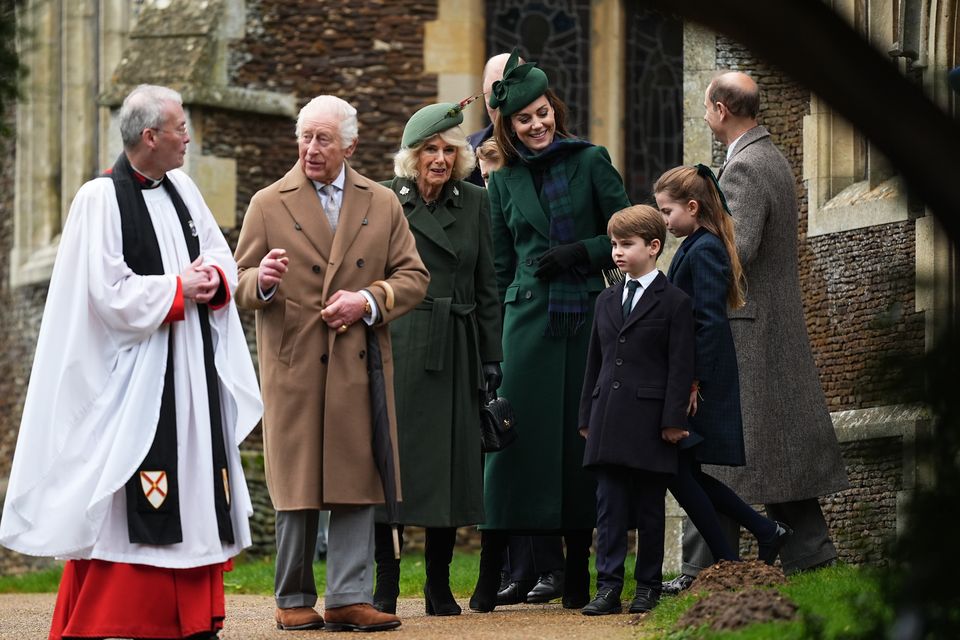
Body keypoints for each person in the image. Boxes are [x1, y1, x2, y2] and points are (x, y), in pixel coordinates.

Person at [0, 84, 263, 640]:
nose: (187, 137)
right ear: (150, 136)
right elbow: (106, 292)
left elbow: (218, 254)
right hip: (137, 378)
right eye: (179, 129)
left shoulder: (184, 189)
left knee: (192, 486)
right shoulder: (100, 199)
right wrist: (175, 287)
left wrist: (213, 279)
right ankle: (123, 618)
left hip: (188, 369)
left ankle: (193, 620)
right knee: (132, 490)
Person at [233, 95, 429, 632]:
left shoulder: (383, 203)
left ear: (350, 145)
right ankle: (293, 595)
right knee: (296, 484)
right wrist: (264, 281)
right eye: (305, 138)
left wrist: (367, 301)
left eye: (323, 139)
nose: (311, 149)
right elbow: (240, 282)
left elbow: (413, 277)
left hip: (356, 361)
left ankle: (348, 597)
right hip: (294, 363)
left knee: (356, 478)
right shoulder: (268, 203)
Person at [665, 71, 849, 593]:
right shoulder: (768, 157)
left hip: (744, 328)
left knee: (722, 449)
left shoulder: (745, 167)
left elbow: (733, 251)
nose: (705, 115)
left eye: (706, 107)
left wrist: (680, 253)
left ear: (721, 110)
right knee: (773, 450)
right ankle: (809, 556)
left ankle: (703, 569)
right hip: (764, 324)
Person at [469, 49, 632, 613]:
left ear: (553, 109)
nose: (536, 125)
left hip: (586, 319)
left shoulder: (591, 160)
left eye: (541, 113)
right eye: (523, 119)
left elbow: (630, 230)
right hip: (526, 324)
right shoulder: (505, 179)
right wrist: (492, 349)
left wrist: (581, 252)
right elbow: (497, 267)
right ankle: (490, 574)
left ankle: (579, 576)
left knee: (578, 444)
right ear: (508, 127)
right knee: (514, 448)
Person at [370, 102, 503, 616]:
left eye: (449, 150)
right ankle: (386, 583)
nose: (441, 159)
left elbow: (487, 283)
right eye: (431, 149)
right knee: (392, 467)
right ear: (412, 155)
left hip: (456, 347)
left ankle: (438, 585)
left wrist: (491, 356)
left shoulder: (475, 202)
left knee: (447, 469)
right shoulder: (384, 200)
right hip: (399, 344)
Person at [654, 164, 792, 571]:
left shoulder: (707, 248)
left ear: (692, 207)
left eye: (667, 212)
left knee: (680, 471)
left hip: (701, 381)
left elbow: (708, 321)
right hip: (692, 377)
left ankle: (734, 555)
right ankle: (763, 534)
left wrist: (693, 382)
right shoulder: (695, 246)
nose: (663, 221)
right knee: (685, 472)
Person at [578, 204, 694, 616]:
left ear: (654, 246)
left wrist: (673, 421)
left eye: (626, 244)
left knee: (648, 509)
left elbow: (681, 366)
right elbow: (595, 361)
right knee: (608, 510)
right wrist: (585, 418)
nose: (617, 252)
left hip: (651, 423)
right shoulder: (606, 300)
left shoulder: (675, 302)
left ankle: (647, 588)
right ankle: (607, 588)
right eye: (613, 244)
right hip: (607, 419)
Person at [475, 136, 567, 607]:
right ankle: (519, 568)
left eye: (492, 168)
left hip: (543, 316)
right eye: (482, 171)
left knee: (532, 444)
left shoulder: (547, 175)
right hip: (514, 318)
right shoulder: (488, 195)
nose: (487, 178)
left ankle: (548, 567)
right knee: (508, 441)